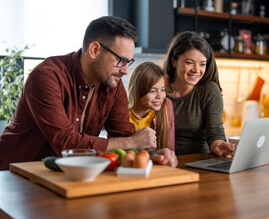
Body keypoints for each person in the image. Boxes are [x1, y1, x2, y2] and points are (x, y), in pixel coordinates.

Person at [0, 16, 177, 170]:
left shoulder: (113, 86)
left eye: (127, 62)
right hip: (13, 175)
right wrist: (132, 142)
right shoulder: (47, 76)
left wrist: (154, 155)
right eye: (120, 61)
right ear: (94, 50)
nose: (125, 71)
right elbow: (66, 143)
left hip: (66, 174)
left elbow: (125, 136)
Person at [163, 31, 236, 156]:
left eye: (202, 64)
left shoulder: (209, 90)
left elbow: (215, 132)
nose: (196, 70)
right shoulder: (158, 89)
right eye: (189, 62)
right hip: (165, 161)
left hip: (199, 161)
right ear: (173, 61)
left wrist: (220, 145)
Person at [128, 62, 175, 152]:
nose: (160, 96)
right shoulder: (123, 113)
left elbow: (170, 147)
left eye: (163, 90)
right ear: (138, 91)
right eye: (152, 91)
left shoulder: (166, 105)